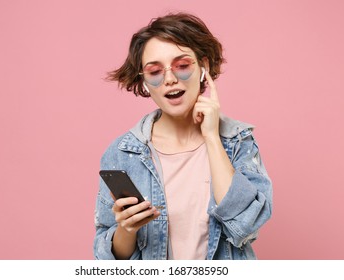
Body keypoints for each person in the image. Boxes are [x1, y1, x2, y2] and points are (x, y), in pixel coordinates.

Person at [93, 12, 272, 260]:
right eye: (155, 71)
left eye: (182, 65)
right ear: (144, 82)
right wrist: (126, 228)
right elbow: (108, 260)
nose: (169, 79)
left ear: (203, 67)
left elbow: (247, 225)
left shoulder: (238, 141)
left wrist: (211, 136)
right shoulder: (123, 153)